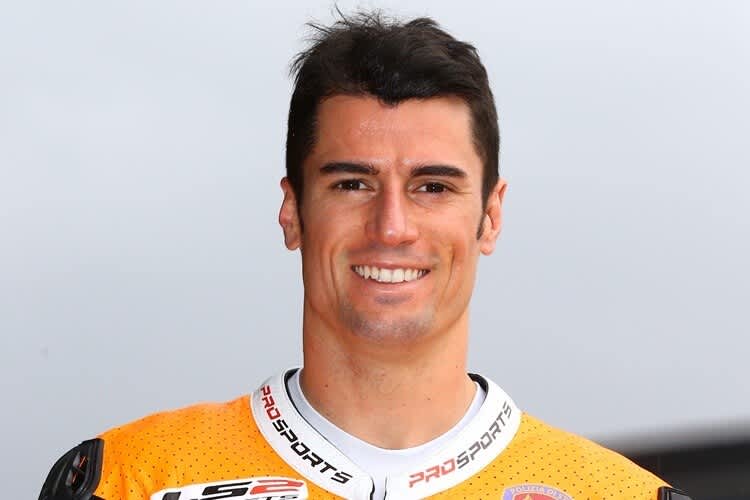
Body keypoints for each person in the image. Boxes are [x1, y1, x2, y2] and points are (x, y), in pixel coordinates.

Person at [39, 11, 691, 500]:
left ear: (491, 216)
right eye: (353, 184)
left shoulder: (619, 495)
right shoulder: (126, 480)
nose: (392, 227)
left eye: (433, 187)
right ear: (293, 211)